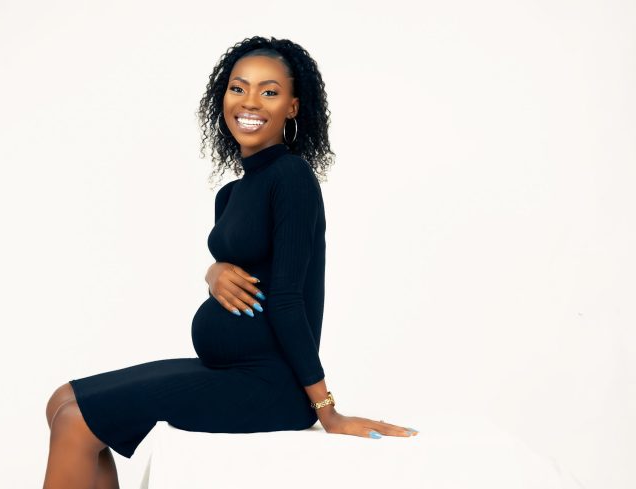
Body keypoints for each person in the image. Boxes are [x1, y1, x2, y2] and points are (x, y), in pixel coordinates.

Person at [42, 35, 418, 489]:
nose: (250, 102)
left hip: (270, 387)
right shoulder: (231, 194)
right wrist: (213, 271)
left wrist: (327, 411)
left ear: (293, 107)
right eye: (239, 88)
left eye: (269, 91)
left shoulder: (292, 178)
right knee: (61, 400)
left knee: (75, 420)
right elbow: (243, 270)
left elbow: (289, 299)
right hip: (228, 371)